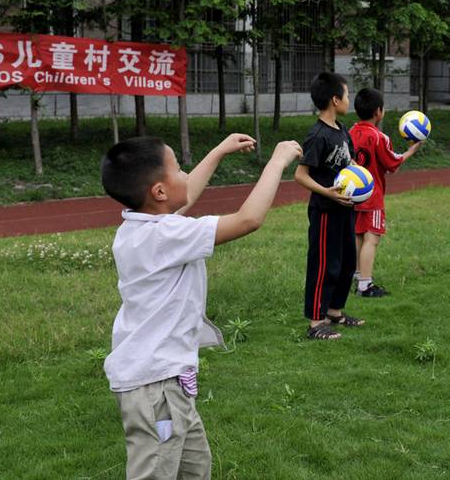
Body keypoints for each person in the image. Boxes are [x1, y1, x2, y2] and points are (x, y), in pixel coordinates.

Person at [101, 132, 302, 479]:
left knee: (194, 468)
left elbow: (185, 194)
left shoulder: (138, 227)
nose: (184, 175)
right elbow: (247, 220)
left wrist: (220, 151)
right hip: (156, 387)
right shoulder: (165, 235)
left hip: (168, 382)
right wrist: (277, 162)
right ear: (159, 192)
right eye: (178, 169)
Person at [294, 72, 364, 340]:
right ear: (335, 100)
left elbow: (349, 162)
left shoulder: (342, 130)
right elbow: (300, 175)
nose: (349, 100)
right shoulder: (317, 135)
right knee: (325, 264)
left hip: (345, 206)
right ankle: (315, 322)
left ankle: (335, 311)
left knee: (347, 261)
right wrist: (327, 193)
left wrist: (361, 175)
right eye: (347, 95)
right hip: (325, 209)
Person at [349, 89, 422, 297]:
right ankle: (365, 285)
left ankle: (356, 274)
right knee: (372, 238)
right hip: (372, 196)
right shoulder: (380, 137)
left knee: (357, 235)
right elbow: (392, 163)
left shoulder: (350, 132)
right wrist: (410, 151)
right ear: (378, 112)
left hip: (353, 194)